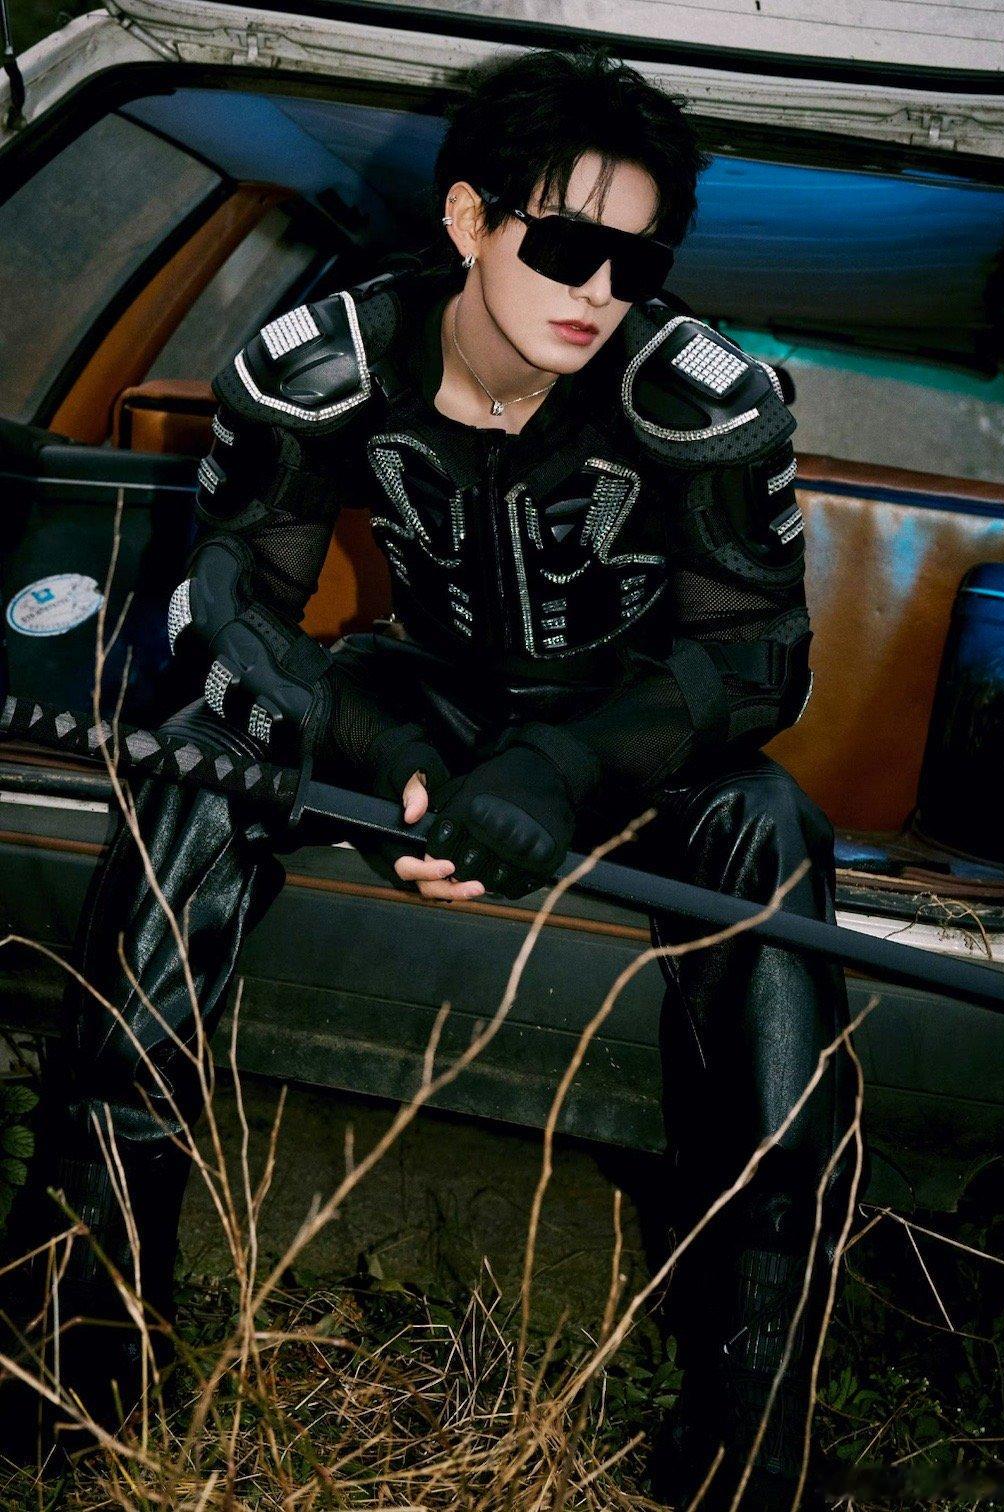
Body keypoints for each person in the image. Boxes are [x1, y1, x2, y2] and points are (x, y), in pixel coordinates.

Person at [1, 46, 859, 1508]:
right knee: (203, 762)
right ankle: (85, 1332)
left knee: (772, 827)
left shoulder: (700, 404)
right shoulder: (323, 363)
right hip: (413, 694)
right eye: (567, 246)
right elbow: (233, 605)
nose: (602, 289)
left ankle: (755, 1419)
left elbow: (758, 662)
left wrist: (558, 768)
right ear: (468, 220)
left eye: (638, 259)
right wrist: (386, 753)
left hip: (623, 731)